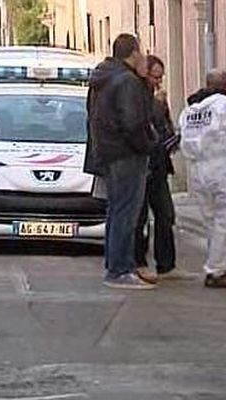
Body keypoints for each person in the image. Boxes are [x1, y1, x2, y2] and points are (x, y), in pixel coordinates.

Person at [85, 33, 156, 290]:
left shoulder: (101, 78)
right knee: (127, 212)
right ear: (134, 53)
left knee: (116, 210)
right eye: (141, 53)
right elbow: (133, 122)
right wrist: (149, 145)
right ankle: (120, 269)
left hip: (107, 152)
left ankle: (114, 264)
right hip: (126, 154)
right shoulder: (127, 81)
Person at [179, 70, 226, 288]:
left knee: (210, 222)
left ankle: (217, 264)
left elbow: (184, 142)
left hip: (198, 172)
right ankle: (217, 270)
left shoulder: (190, 111)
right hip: (221, 170)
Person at [133, 55, 182, 284]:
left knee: (165, 215)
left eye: (161, 78)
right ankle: (139, 262)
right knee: (139, 218)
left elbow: (167, 132)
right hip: (141, 167)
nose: (159, 83)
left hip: (160, 167)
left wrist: (175, 140)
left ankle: (166, 264)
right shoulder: (137, 100)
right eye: (155, 77)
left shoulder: (159, 103)